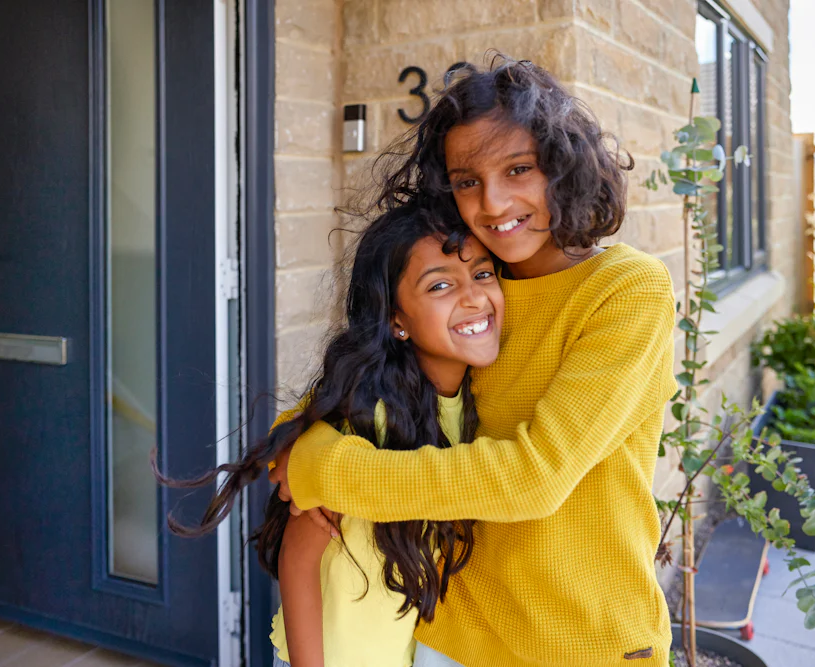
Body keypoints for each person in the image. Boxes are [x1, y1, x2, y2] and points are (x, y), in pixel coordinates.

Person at [271, 56, 678, 666]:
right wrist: (294, 439)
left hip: (582, 641)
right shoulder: (480, 291)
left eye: (519, 169)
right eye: (467, 181)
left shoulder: (625, 290)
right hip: (453, 635)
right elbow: (345, 391)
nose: (493, 202)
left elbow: (532, 479)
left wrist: (329, 470)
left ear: (563, 165)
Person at [155, 201, 505, 667]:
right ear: (396, 320)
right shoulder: (372, 419)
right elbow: (299, 557)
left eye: (483, 274)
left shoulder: (477, 402)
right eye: (440, 284)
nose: (474, 296)